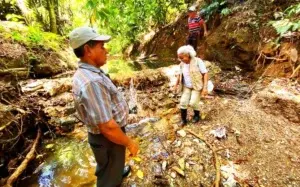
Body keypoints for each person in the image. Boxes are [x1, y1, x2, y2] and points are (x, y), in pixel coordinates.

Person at [69, 27, 139, 187]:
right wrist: (130, 143)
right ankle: (112, 176)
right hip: (108, 138)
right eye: (102, 46)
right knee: (108, 180)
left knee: (110, 164)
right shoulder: (92, 82)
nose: (106, 50)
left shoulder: (88, 73)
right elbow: (107, 127)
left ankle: (116, 169)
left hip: (107, 136)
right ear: (88, 50)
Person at [174, 45, 209, 126]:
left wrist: (205, 88)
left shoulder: (197, 61)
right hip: (186, 86)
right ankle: (183, 120)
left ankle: (197, 115)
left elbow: (205, 73)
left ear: (188, 55)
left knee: (193, 103)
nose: (180, 59)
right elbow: (179, 74)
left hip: (196, 86)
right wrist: (175, 85)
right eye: (179, 58)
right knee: (183, 102)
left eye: (182, 57)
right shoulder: (182, 64)